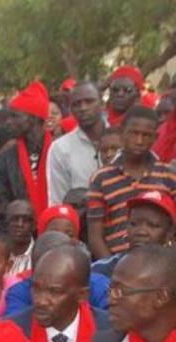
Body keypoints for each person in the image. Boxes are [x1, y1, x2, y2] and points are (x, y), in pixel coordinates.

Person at [87, 105, 176, 259]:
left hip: (160, 263)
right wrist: (112, 266)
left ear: (155, 138)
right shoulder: (101, 178)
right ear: (122, 134)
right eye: (134, 133)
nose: (139, 141)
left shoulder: (168, 175)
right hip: (117, 262)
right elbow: (95, 235)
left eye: (146, 135)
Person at [5, 232, 110, 316]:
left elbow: (110, 326)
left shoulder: (98, 286)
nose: (42, 301)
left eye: (55, 291)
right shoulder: (19, 292)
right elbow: (16, 327)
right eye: (36, 288)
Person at [0, 80, 53, 216]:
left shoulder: (60, 151)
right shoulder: (5, 157)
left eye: (15, 116)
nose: (9, 121)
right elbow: (3, 203)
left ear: (34, 118)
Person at [92, 190, 176, 280]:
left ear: (170, 232)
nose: (141, 232)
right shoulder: (100, 271)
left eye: (152, 225)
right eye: (134, 224)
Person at [47, 82, 107, 205]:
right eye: (76, 104)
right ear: (70, 110)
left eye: (89, 101)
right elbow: (58, 201)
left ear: (102, 104)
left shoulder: (122, 140)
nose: (83, 108)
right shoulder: (60, 149)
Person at [6, 199, 36, 276]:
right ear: (6, 223)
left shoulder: (39, 255)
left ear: (34, 225)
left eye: (25, 220)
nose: (20, 224)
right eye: (14, 219)